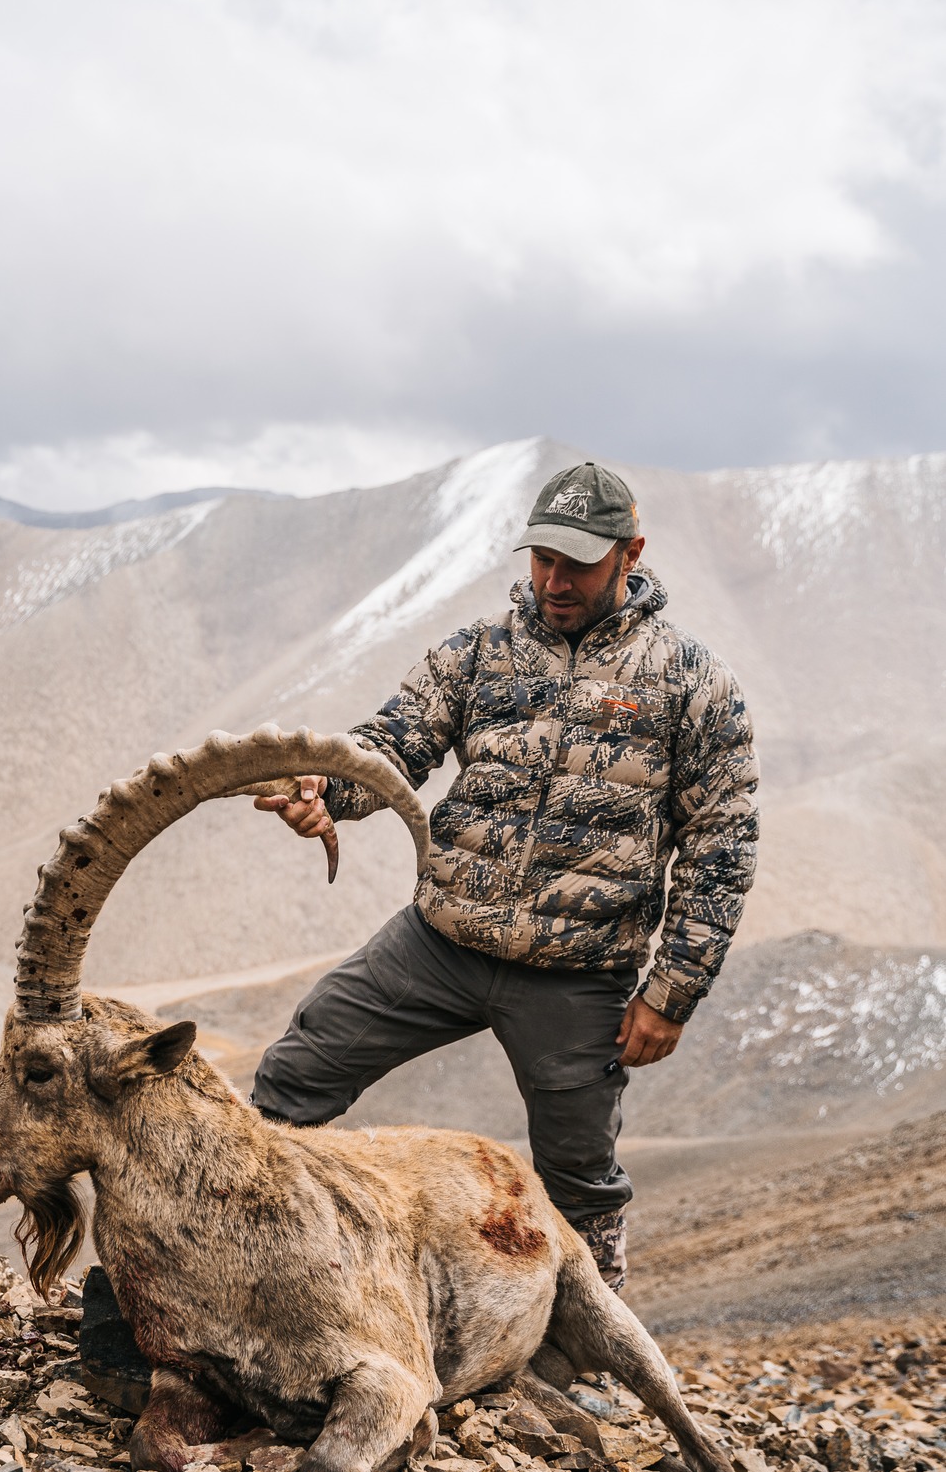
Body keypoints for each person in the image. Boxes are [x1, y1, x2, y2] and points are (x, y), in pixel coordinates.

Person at [251, 459, 758, 1290]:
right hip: (438, 943)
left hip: (577, 977)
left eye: (578, 563)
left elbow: (721, 848)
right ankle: (218, 1268)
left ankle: (586, 1362)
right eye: (541, 558)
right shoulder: (477, 652)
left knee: (580, 1184)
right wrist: (325, 792)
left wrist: (672, 992)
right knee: (292, 1077)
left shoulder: (692, 684)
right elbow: (390, 746)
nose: (554, 581)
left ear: (630, 553)